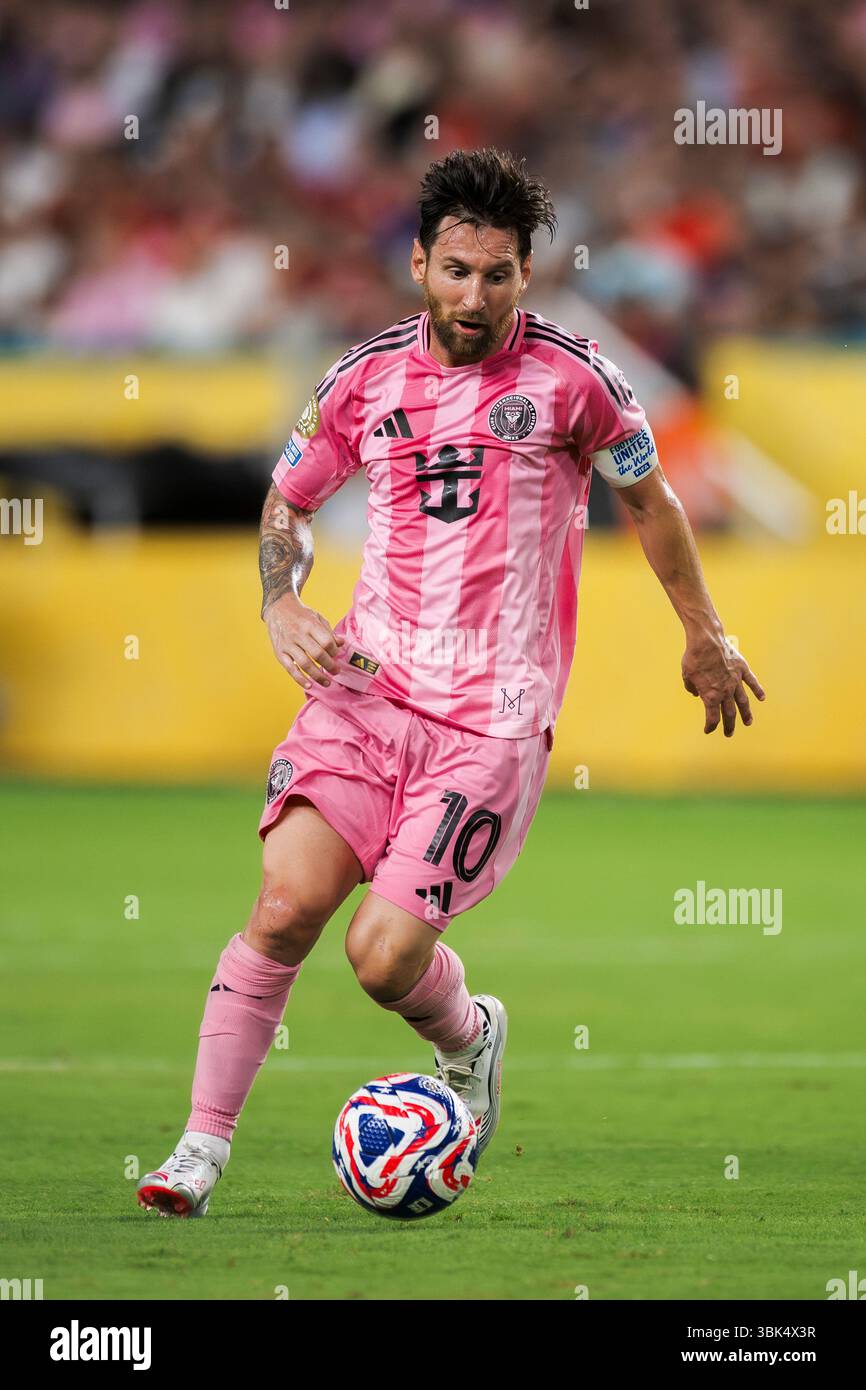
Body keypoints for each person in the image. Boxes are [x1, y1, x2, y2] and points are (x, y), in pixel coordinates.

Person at [137, 147, 765, 1218]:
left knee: (381, 960)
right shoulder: (360, 380)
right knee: (285, 906)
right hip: (365, 692)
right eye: (457, 271)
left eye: (500, 275)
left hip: (491, 718)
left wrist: (702, 632)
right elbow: (286, 504)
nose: (475, 297)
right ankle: (199, 1148)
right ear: (420, 263)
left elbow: (650, 502)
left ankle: (469, 1036)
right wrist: (281, 603)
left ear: (528, 273)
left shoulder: (575, 380)